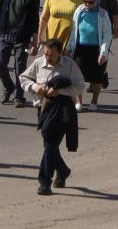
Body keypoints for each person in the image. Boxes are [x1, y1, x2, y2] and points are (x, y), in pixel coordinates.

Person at [21, 38, 81, 195]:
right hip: (44, 108)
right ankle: (62, 170)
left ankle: (44, 181)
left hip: (63, 108)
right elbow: (23, 79)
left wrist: (59, 91)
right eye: (46, 54)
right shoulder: (38, 63)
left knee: (51, 142)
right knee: (49, 143)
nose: (47, 57)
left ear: (59, 53)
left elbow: (80, 85)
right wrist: (36, 87)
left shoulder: (69, 65)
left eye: (51, 55)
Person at [0, 0, 40, 107]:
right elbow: (0, 8)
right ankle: (8, 87)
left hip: (22, 36)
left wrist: (35, 41)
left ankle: (19, 96)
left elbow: (34, 20)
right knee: (0, 64)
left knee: (20, 67)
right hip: (5, 33)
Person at [69, 0, 114, 110]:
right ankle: (79, 102)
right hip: (80, 49)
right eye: (85, 1)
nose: (87, 4)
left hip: (96, 49)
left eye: (90, 2)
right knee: (78, 77)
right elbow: (73, 30)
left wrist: (103, 53)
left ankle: (94, 102)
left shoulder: (103, 14)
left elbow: (107, 35)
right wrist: (69, 47)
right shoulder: (79, 11)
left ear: (96, 1)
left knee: (96, 77)